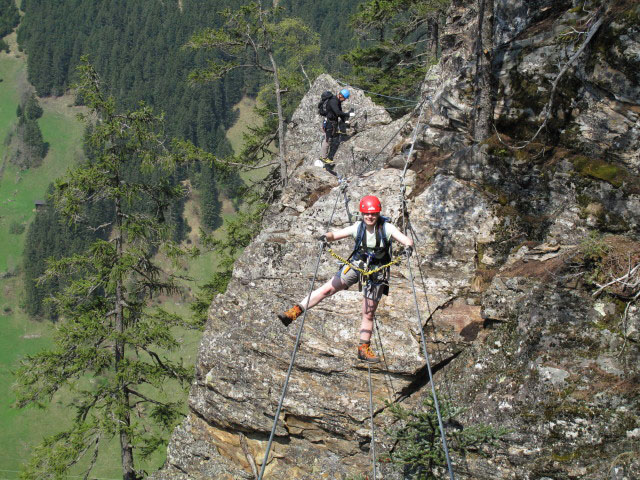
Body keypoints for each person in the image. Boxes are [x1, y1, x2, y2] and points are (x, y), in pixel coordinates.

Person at [277, 195, 414, 363]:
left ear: (378, 214)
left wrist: (408, 247)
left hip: (377, 271)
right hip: (356, 265)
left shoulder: (387, 228)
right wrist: (324, 237)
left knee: (368, 312)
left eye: (373, 214)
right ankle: (294, 312)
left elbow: (406, 240)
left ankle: (363, 348)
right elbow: (335, 235)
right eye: (367, 214)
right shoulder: (358, 227)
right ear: (362, 214)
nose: (370, 217)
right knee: (328, 289)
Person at [320, 88, 354, 169]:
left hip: (332, 123)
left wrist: (344, 121)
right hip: (329, 123)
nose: (344, 100)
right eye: (345, 98)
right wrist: (348, 114)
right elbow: (338, 112)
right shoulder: (333, 101)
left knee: (330, 138)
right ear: (341, 96)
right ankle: (323, 158)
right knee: (327, 140)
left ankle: (324, 157)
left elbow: (340, 114)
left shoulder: (338, 101)